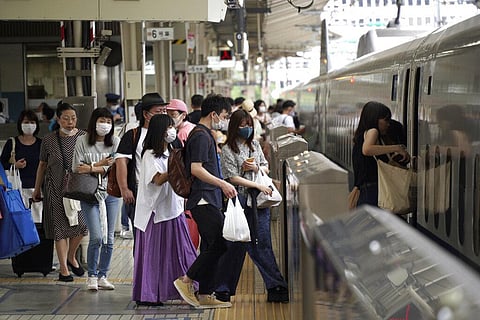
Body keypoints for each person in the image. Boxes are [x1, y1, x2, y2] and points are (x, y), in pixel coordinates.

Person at [215, 109, 289, 303]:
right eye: (242, 125)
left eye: (249, 125)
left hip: (259, 204)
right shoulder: (228, 149)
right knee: (234, 246)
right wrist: (254, 182)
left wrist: (256, 168)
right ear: (234, 127)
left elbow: (265, 166)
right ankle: (223, 289)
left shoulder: (254, 144)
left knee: (262, 244)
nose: (246, 128)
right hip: (239, 202)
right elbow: (231, 178)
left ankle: (276, 286)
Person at [173, 93, 237, 309]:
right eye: (225, 115)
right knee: (220, 242)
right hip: (202, 198)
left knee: (212, 244)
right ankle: (187, 280)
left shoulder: (204, 134)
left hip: (208, 197)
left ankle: (206, 293)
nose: (226, 119)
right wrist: (223, 184)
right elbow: (196, 169)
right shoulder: (200, 136)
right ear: (214, 114)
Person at [132, 114, 197, 306]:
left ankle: (188, 284)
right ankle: (149, 294)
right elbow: (158, 179)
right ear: (160, 130)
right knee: (154, 256)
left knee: (182, 250)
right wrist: (176, 168)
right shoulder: (149, 155)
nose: (172, 131)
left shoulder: (172, 152)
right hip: (154, 213)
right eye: (168, 127)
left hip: (173, 209)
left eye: (173, 126)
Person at [32, 102, 88, 282]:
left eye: (73, 118)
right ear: (58, 119)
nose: (70, 122)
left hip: (78, 188)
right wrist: (36, 188)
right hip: (54, 188)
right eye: (65, 118)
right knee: (59, 229)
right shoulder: (48, 140)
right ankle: (64, 269)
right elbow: (42, 165)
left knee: (82, 225)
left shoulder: (83, 137)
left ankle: (72, 257)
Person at [71, 107, 121, 291]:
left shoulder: (115, 141)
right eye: (102, 120)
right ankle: (91, 275)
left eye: (109, 122)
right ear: (94, 121)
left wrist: (91, 167)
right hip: (89, 193)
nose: (105, 125)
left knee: (109, 238)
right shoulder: (82, 141)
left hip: (111, 193)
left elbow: (116, 167)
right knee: (97, 237)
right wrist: (100, 165)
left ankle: (103, 275)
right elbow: (77, 167)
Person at [115, 93, 169, 247]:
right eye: (159, 111)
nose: (163, 115)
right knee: (142, 237)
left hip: (165, 192)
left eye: (165, 111)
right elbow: (121, 162)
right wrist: (125, 189)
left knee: (162, 237)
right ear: (146, 114)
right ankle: (142, 268)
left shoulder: (169, 135)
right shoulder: (132, 135)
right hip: (140, 192)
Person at [352, 101, 410, 207]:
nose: (388, 124)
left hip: (365, 190)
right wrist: (397, 148)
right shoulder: (373, 131)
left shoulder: (362, 135)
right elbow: (367, 150)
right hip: (373, 190)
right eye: (386, 120)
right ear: (375, 119)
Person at [0, 110, 42, 219]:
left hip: (37, 190)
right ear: (20, 124)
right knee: (20, 221)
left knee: (38, 222)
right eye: (26, 122)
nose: (29, 125)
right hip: (16, 189)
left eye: (32, 122)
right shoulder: (12, 143)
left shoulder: (41, 144)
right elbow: (2, 164)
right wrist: (14, 166)